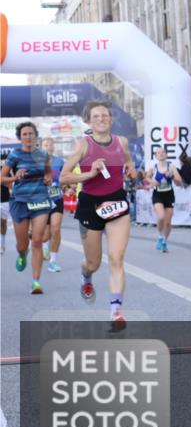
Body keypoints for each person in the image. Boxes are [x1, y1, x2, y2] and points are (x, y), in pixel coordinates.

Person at [60, 101, 139, 331]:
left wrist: (131, 169)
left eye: (105, 115)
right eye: (96, 116)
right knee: (93, 263)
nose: (102, 119)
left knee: (116, 258)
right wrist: (90, 172)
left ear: (111, 119)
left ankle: (116, 312)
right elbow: (64, 178)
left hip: (116, 202)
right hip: (90, 205)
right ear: (89, 121)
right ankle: (86, 277)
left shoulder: (121, 142)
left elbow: (128, 160)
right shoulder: (82, 146)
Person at [1, 122, 52, 294]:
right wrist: (15, 177)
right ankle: (22, 254)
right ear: (20, 137)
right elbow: (2, 179)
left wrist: (47, 178)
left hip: (40, 200)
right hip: (20, 201)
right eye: (24, 134)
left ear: (36, 136)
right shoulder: (14, 155)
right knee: (22, 244)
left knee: (37, 240)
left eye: (31, 133)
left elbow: (48, 173)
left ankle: (36, 282)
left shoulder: (43, 154)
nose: (28, 136)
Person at [147, 147, 182, 252]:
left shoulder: (171, 166)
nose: (161, 154)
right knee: (161, 216)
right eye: (158, 153)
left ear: (166, 154)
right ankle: (159, 235)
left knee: (167, 222)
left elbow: (179, 182)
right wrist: (152, 182)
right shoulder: (154, 168)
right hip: (158, 194)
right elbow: (146, 177)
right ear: (156, 156)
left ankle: (164, 241)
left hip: (169, 195)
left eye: (163, 152)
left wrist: (171, 176)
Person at [39, 138, 66, 272]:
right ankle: (44, 248)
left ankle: (53, 261)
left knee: (55, 229)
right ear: (41, 147)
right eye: (46, 145)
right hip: (42, 200)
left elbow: (65, 177)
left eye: (50, 144)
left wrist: (68, 186)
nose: (48, 147)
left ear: (53, 147)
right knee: (45, 235)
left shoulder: (60, 161)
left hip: (57, 199)